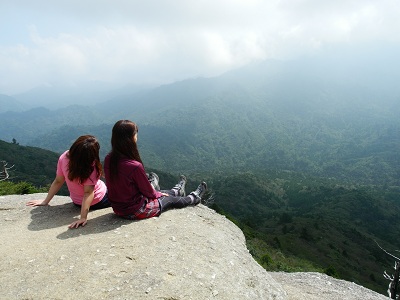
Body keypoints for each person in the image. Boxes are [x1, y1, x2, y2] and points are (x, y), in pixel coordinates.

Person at [104, 119, 207, 220]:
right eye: (135, 134)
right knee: (169, 199)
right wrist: (157, 194)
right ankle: (194, 198)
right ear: (131, 138)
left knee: (162, 193)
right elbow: (148, 192)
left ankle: (177, 191)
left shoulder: (109, 159)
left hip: (118, 209)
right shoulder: (134, 166)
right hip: (135, 210)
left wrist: (158, 193)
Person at [26, 135, 110, 228]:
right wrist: (83, 218)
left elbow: (58, 181)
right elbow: (88, 193)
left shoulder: (64, 157)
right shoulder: (90, 166)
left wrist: (45, 201)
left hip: (76, 201)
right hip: (98, 200)